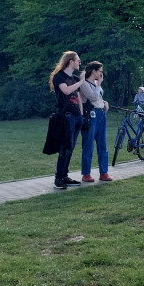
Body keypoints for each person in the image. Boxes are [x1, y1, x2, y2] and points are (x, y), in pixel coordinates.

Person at [50, 51, 87, 189]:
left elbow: (79, 99)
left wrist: (81, 116)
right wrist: (82, 81)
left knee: (70, 148)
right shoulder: (59, 77)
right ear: (70, 61)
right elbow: (66, 91)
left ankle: (65, 176)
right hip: (66, 117)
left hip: (76, 117)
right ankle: (58, 178)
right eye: (78, 60)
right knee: (65, 148)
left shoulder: (75, 78)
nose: (80, 62)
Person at [78, 61, 112, 182]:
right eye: (100, 71)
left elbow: (98, 97)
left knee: (102, 144)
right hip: (91, 115)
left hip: (101, 113)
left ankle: (104, 172)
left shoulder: (96, 83)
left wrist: (104, 102)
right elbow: (92, 97)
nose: (102, 74)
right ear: (94, 71)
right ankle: (86, 173)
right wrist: (99, 84)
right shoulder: (85, 83)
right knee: (88, 144)